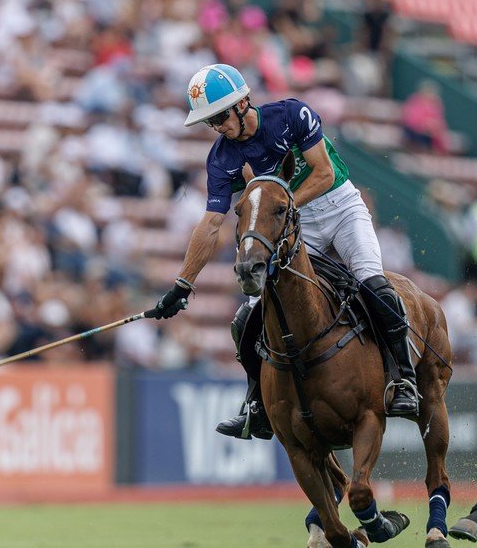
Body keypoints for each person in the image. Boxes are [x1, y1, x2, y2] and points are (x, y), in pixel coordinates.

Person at [145, 63, 418, 440]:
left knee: (373, 284)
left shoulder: (291, 115)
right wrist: (183, 283)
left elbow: (323, 173)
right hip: (295, 224)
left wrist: (282, 206)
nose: (217, 127)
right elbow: (210, 224)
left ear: (242, 104)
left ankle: (404, 379)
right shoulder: (222, 159)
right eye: (210, 122)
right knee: (248, 316)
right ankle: (257, 404)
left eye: (220, 117)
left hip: (340, 208)